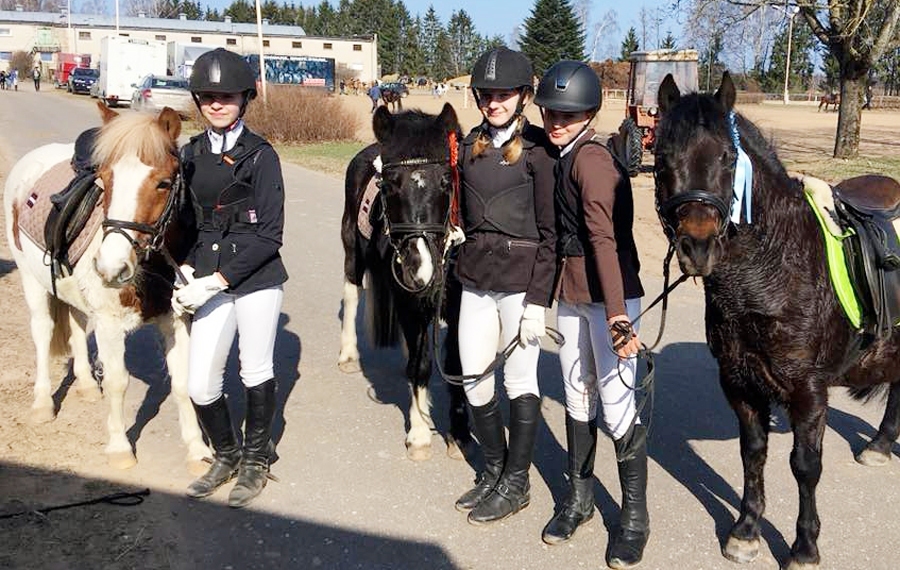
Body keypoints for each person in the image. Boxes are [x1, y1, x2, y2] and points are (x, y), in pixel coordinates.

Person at [534, 61, 647, 569]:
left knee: (618, 406)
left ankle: (634, 518)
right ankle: (579, 501)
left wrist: (618, 318)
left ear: (588, 114)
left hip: (610, 298)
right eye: (551, 111)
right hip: (574, 294)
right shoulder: (564, 154)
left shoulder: (591, 162)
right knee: (577, 397)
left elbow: (603, 240)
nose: (556, 120)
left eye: (568, 113)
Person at [174, 48, 288, 509]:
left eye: (226, 96)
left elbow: (270, 236)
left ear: (245, 98)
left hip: (256, 279)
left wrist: (216, 280)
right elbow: (179, 219)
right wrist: (182, 266)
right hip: (203, 276)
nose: (216, 104)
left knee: (255, 368)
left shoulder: (262, 156)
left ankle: (256, 459)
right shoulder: (189, 154)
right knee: (200, 383)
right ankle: (226, 454)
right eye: (207, 96)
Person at [453, 47, 557, 525]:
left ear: (522, 96)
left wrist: (538, 302)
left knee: (519, 381)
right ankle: (493, 470)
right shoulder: (469, 144)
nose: (494, 103)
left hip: (520, 286)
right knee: (474, 380)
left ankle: (517, 482)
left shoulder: (538, 151)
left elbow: (551, 234)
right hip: (475, 281)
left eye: (504, 95)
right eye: (487, 95)